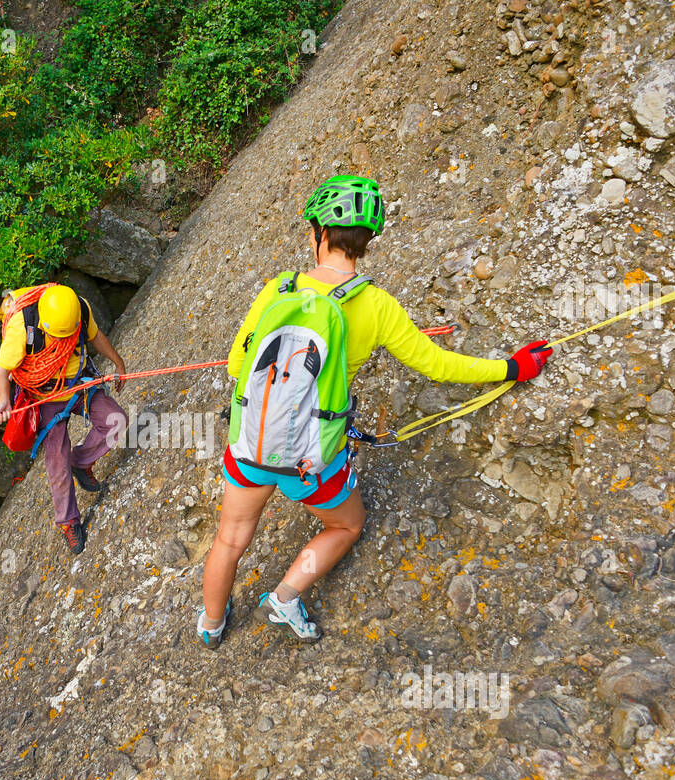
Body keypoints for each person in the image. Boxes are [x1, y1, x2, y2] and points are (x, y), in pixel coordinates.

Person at [197, 175, 552, 647]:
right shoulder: (377, 306)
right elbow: (438, 365)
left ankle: (213, 625)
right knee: (346, 525)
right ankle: (286, 595)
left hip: (250, 446)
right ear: (365, 243)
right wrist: (512, 367)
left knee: (229, 540)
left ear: (318, 233)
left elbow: (238, 366)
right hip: (311, 460)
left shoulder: (277, 290)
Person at [0, 283, 128, 553]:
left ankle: (82, 461)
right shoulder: (23, 325)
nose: (61, 341)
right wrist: (3, 400)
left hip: (78, 382)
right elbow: (1, 370)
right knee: (57, 462)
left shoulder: (79, 309)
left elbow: (95, 336)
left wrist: (118, 362)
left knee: (116, 421)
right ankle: (68, 522)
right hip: (41, 395)